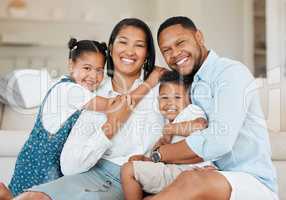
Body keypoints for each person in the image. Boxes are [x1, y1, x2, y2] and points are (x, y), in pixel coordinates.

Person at [10, 18, 166, 200]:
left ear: (147, 53)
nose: (130, 51)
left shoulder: (162, 89)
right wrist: (147, 84)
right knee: (31, 197)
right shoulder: (91, 91)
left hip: (127, 176)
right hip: (78, 171)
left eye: (139, 45)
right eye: (123, 42)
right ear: (111, 48)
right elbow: (71, 165)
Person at [146, 16, 278, 200]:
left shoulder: (230, 73)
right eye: (166, 50)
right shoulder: (183, 86)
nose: (175, 53)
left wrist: (159, 155)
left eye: (180, 43)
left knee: (192, 180)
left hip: (250, 182)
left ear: (199, 37)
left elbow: (218, 141)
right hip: (207, 174)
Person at [0, 37, 117, 199]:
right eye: (87, 68)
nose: (93, 76)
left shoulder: (73, 88)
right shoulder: (69, 90)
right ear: (71, 65)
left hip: (49, 161)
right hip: (39, 161)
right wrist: (136, 95)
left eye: (99, 70)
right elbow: (110, 105)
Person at [121, 70, 213, 200]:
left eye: (177, 97)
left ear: (189, 100)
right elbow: (166, 157)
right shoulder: (166, 123)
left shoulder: (190, 111)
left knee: (128, 170)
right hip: (177, 171)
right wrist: (146, 159)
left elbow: (200, 125)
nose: (170, 103)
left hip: (194, 172)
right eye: (164, 98)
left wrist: (171, 129)